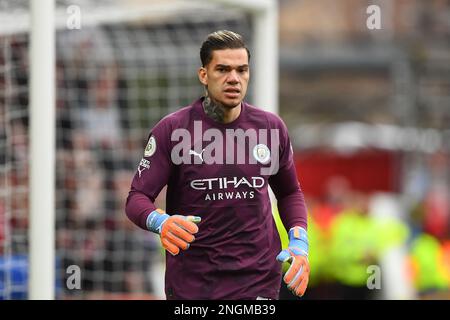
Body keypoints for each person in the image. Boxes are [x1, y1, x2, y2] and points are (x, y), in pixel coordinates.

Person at [125, 30, 310, 300]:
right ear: (203, 75)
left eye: (241, 70)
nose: (234, 78)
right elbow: (136, 198)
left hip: (257, 278)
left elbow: (290, 192)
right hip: (194, 282)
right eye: (223, 69)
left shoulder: (271, 128)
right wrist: (160, 222)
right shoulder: (173, 130)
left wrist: (299, 241)